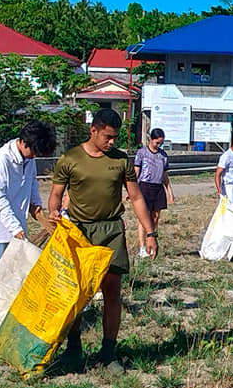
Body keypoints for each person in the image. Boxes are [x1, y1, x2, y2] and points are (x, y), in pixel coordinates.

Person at [47, 107, 158, 369]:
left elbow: (136, 197)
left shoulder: (121, 160)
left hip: (111, 232)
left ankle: (108, 353)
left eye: (115, 137)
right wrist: (53, 211)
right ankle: (73, 349)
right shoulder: (70, 159)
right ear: (93, 130)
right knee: (77, 293)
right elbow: (55, 194)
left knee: (112, 292)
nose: (111, 142)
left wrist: (150, 232)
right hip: (79, 232)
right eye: (107, 136)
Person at [0, 121, 57, 273]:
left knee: (13, 274)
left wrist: (35, 204)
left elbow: (32, 182)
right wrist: (15, 227)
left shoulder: (29, 159)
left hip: (17, 224)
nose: (34, 156)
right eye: (34, 152)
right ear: (24, 143)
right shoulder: (2, 159)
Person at [134, 128, 174, 258]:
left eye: (161, 143)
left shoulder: (163, 155)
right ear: (151, 139)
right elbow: (136, 171)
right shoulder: (142, 152)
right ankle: (142, 247)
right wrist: (133, 189)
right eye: (157, 142)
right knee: (143, 217)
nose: (158, 145)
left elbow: (164, 175)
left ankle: (150, 243)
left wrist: (169, 191)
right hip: (144, 186)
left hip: (158, 187)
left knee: (155, 217)